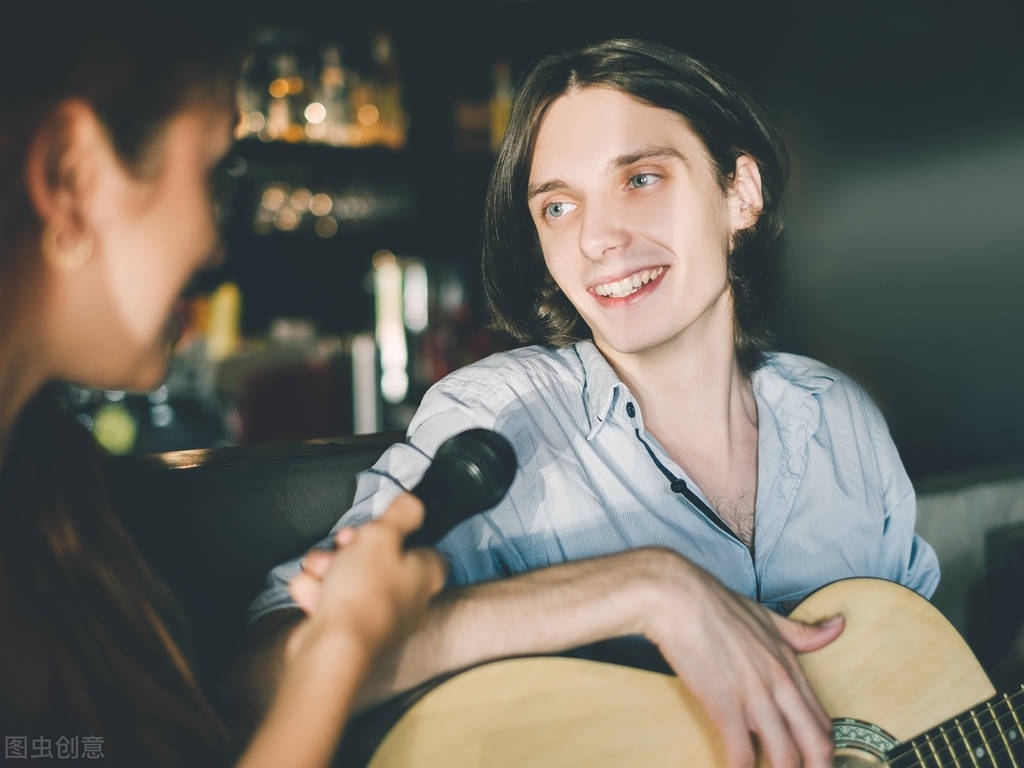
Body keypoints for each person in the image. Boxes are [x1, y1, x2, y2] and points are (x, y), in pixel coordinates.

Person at [243, 37, 940, 767]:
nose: (597, 238)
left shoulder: (843, 419)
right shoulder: (498, 419)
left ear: (741, 194)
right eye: (556, 206)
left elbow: (920, 691)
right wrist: (641, 586)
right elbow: (265, 681)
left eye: (640, 179)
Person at [0, 5, 445, 767]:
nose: (213, 244)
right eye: (212, 173)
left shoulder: (48, 480)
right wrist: (341, 647)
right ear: (72, 177)